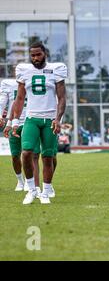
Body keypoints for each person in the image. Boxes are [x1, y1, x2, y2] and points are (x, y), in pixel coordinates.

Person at [11, 41, 67, 205]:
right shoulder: (24, 71)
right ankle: (32, 189)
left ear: (45, 54)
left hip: (49, 119)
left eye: (38, 54)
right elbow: (20, 98)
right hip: (31, 119)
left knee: (48, 157)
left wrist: (58, 119)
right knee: (26, 152)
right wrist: (15, 121)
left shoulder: (56, 69)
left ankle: (46, 190)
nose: (35, 58)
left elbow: (62, 97)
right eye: (33, 55)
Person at [0, 74, 41, 194]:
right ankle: (20, 180)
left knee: (30, 154)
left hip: (30, 121)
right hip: (14, 122)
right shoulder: (8, 84)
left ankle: (31, 183)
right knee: (15, 155)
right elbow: (9, 103)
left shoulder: (35, 82)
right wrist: (8, 123)